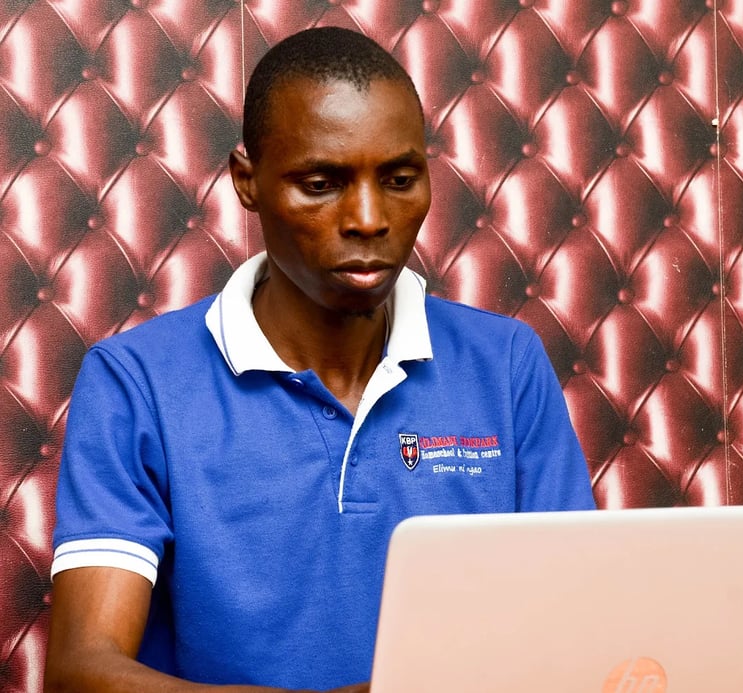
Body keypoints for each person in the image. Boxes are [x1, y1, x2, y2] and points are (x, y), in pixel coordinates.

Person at [44, 26, 595, 693]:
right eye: (321, 183)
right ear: (247, 181)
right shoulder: (137, 382)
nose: (368, 218)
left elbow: (578, 622)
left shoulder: (505, 364)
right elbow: (82, 672)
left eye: (399, 180)